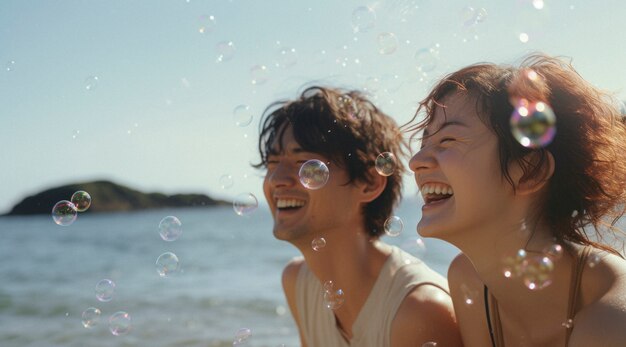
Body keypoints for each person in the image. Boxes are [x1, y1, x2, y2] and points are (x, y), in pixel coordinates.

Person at [406, 54, 626, 346]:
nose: (416, 161)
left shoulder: (610, 324)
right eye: (423, 144)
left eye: (448, 140)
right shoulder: (469, 280)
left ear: (530, 172)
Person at [255, 86, 462, 346]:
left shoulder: (418, 311)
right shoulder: (298, 281)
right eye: (273, 164)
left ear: (368, 183)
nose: (276, 180)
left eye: (302, 163)